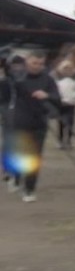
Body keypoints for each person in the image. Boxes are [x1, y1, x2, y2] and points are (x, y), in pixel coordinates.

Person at [5, 52, 61, 202]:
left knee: (35, 157)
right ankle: (16, 177)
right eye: (34, 63)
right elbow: (6, 90)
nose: (37, 67)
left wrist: (47, 95)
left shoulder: (48, 79)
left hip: (39, 123)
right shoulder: (18, 78)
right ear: (27, 63)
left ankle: (29, 189)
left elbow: (57, 98)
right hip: (21, 122)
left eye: (40, 64)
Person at [1, 53, 25, 191]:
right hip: (8, 117)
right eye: (15, 65)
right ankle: (8, 171)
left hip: (23, 117)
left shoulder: (25, 80)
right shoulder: (5, 81)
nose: (18, 68)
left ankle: (17, 175)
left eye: (20, 65)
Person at [54, 60, 75, 149]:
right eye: (65, 69)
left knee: (70, 123)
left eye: (69, 69)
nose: (67, 71)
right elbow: (55, 92)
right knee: (60, 123)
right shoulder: (57, 81)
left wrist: (73, 96)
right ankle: (60, 141)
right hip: (61, 104)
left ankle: (69, 141)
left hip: (71, 104)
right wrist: (60, 99)